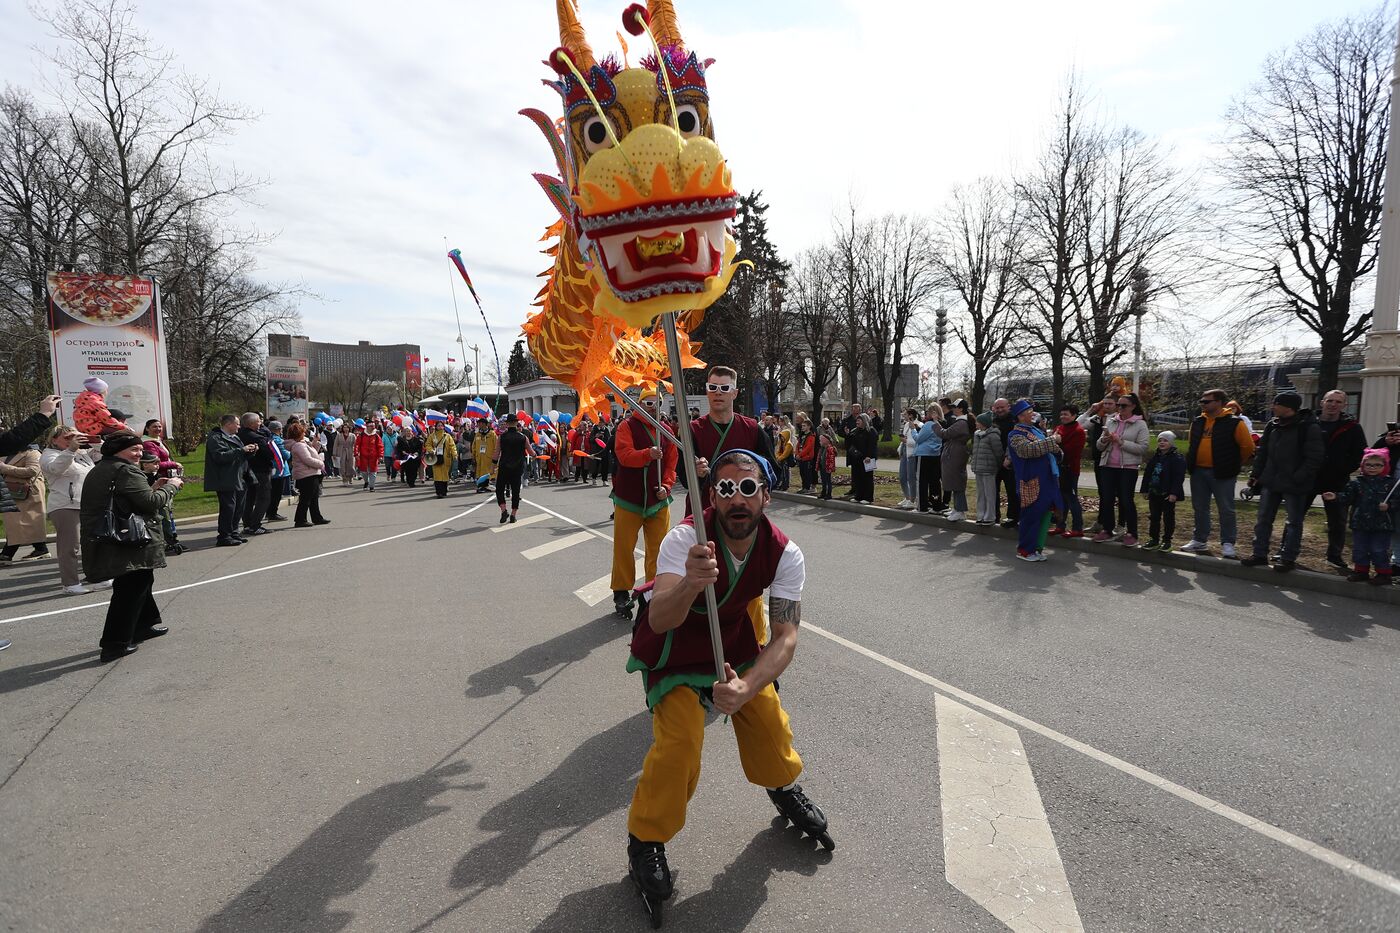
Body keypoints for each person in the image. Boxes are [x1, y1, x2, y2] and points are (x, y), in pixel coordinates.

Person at [623, 451, 830, 921]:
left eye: (749, 488)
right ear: (711, 496)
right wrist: (691, 584)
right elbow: (660, 617)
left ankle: (782, 787)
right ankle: (646, 840)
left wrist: (749, 686)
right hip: (675, 652)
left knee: (768, 721)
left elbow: (785, 637)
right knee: (680, 745)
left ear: (766, 496)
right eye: (726, 489)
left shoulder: (785, 553)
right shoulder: (684, 540)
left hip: (732, 648)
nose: (738, 499)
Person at [80, 432, 183, 662]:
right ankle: (114, 644)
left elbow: (129, 497)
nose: (138, 454)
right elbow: (150, 503)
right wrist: (172, 487)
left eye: (139, 449)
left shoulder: (102, 468)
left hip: (113, 536)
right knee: (131, 587)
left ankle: (143, 626)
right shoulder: (125, 470)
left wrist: (153, 486)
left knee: (141, 581)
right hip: (129, 538)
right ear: (117, 451)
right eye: (133, 450)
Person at [610, 387, 678, 617]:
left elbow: (670, 466)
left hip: (658, 502)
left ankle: (651, 592)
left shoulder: (667, 431)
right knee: (623, 547)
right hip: (629, 499)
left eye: (656, 403)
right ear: (638, 404)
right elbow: (624, 455)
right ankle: (621, 592)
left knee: (659, 550)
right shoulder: (626, 426)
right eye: (648, 403)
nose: (653, 408)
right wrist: (647, 454)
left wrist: (666, 486)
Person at [1242, 392, 1324, 573]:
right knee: (1263, 519)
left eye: (1276, 404)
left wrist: (1298, 477)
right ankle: (1259, 554)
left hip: (1295, 484)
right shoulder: (1273, 425)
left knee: (1293, 522)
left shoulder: (1308, 427)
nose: (1273, 406)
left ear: (1289, 407)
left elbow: (1314, 457)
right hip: (1270, 481)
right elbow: (1262, 452)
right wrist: (1256, 474)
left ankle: (1288, 558)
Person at [1180, 389, 1256, 558]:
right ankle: (1199, 540)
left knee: (1226, 509)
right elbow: (1192, 444)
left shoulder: (1234, 423)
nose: (1202, 403)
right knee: (1200, 507)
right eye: (1202, 401)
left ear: (1219, 402)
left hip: (1222, 473)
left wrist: (1232, 464)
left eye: (1207, 401)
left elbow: (1248, 447)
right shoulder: (1198, 422)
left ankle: (1228, 543)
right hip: (1199, 471)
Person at [689, 367, 776, 513]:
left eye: (724, 388)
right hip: (702, 510)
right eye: (713, 387)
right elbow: (684, 477)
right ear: (707, 391)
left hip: (742, 510)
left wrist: (751, 471)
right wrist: (695, 472)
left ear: (734, 393)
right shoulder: (693, 430)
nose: (718, 392)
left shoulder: (752, 428)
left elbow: (771, 468)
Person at [41, 425, 108, 594]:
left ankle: (98, 577)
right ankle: (70, 584)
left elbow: (106, 455)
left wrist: (95, 440)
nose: (72, 440)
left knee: (94, 542)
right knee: (70, 547)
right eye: (66, 437)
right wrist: (71, 449)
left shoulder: (82, 454)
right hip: (65, 505)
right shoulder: (48, 455)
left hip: (87, 504)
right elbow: (57, 468)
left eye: (74, 436)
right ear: (54, 439)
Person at [1322, 448, 1395, 585]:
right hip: (1360, 522)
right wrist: (1336, 497)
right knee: (1360, 548)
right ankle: (1361, 571)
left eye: (1377, 465)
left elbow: (1397, 500)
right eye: (1369, 465)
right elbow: (1348, 498)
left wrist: (1389, 506)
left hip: (1382, 524)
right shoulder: (1356, 483)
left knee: (1378, 549)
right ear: (1363, 466)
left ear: (1385, 466)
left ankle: (1383, 574)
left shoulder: (1390, 484)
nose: (1372, 468)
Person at [1312, 389, 1367, 569]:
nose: (1333, 405)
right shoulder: (1309, 422)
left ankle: (1334, 555)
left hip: (1337, 481)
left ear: (1344, 405)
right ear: (1322, 402)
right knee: (1295, 517)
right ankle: (1286, 550)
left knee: (1338, 521)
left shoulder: (1352, 427)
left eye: (1338, 402)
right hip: (1309, 478)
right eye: (1330, 401)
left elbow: (1361, 453)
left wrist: (1344, 469)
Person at [1007, 399, 1063, 561]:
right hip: (1031, 480)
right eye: (1029, 411)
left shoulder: (1036, 431)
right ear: (1020, 416)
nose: (1033, 414)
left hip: (1048, 478)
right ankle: (1025, 550)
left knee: (1045, 513)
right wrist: (1052, 441)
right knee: (1031, 515)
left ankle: (1036, 548)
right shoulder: (1015, 434)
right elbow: (1027, 450)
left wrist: (1057, 450)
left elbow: (1054, 450)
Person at [1092, 393, 1148, 547]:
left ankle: (1132, 533)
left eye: (1124, 405)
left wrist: (1121, 442)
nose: (1120, 408)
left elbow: (1143, 448)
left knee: (1126, 500)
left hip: (1127, 468)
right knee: (1107, 499)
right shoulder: (1111, 421)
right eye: (1119, 405)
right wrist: (1104, 440)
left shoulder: (1140, 424)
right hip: (1108, 466)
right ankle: (1107, 529)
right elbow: (1099, 445)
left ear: (1133, 407)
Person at [204, 414, 256, 547]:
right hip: (225, 478)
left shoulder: (235, 437)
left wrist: (251, 450)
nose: (239, 426)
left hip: (240, 477)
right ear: (228, 424)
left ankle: (234, 533)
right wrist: (241, 450)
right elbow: (220, 456)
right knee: (229, 508)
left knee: (239, 507)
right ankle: (224, 536)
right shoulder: (215, 438)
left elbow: (241, 455)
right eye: (237, 424)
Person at [2, 426, 50, 564]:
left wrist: (6, 468)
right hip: (11, 492)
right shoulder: (7, 453)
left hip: (28, 492)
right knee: (16, 523)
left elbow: (33, 470)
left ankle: (7, 553)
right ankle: (41, 548)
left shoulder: (32, 452)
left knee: (23, 522)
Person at [142, 419, 185, 551]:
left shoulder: (158, 441)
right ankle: (169, 540)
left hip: (166, 477)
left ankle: (169, 539)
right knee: (163, 511)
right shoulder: (148, 443)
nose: (158, 429)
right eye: (154, 427)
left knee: (167, 511)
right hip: (158, 479)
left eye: (160, 427)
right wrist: (174, 464)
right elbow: (155, 463)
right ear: (147, 429)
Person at [1140, 431, 1186, 550]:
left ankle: (1167, 540)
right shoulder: (1155, 457)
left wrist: (1173, 493)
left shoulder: (1177, 458)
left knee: (1168, 517)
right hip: (1154, 492)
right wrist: (1145, 489)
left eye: (1165, 440)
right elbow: (1147, 474)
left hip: (1167, 494)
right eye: (1160, 440)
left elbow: (1178, 477)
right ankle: (1154, 539)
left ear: (1171, 442)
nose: (1162, 443)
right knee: (1154, 517)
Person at [1050, 405, 1086, 538]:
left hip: (1070, 470)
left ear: (1074, 415)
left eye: (1066, 414)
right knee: (1060, 499)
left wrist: (1057, 443)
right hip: (1058, 469)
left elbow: (1071, 451)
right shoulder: (1059, 428)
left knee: (1071, 499)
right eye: (1061, 414)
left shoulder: (1078, 431)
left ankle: (1078, 528)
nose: (1063, 417)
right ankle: (1060, 525)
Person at [238, 413, 276, 536]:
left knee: (249, 498)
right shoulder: (257, 437)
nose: (260, 423)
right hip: (261, 470)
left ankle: (248, 524)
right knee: (264, 498)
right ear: (251, 423)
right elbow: (270, 453)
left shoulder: (239, 435)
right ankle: (255, 525)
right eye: (258, 421)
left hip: (246, 470)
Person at [934, 400, 972, 522]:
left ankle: (960, 511)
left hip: (955, 454)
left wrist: (935, 422)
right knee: (955, 483)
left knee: (957, 483)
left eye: (954, 407)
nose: (952, 409)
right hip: (955, 453)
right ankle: (957, 508)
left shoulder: (961, 423)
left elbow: (944, 434)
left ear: (961, 409)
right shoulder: (960, 421)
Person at [286, 422, 330, 527]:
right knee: (306, 499)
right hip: (306, 474)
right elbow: (307, 459)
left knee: (313, 497)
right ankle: (300, 519)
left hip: (309, 473)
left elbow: (312, 452)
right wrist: (320, 463)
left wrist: (314, 442)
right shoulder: (298, 445)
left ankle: (316, 517)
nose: (304, 433)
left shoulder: (301, 443)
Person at [495, 414, 529, 524]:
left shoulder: (502, 437)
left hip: (504, 466)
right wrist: (534, 456)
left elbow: (496, 453)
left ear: (507, 423)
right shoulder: (523, 437)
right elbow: (531, 451)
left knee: (499, 489)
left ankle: (504, 510)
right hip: (517, 468)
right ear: (516, 423)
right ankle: (513, 515)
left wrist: (493, 466)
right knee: (516, 491)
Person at [970, 412, 1003, 525]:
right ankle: (980, 515)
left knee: (990, 494)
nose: (976, 423)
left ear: (983, 423)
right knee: (981, 493)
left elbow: (998, 452)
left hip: (989, 469)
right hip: (978, 468)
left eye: (977, 421)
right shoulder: (976, 434)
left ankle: (990, 516)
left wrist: (997, 465)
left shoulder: (993, 435)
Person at [990, 398, 1019, 527]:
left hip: (1010, 462)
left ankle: (1012, 517)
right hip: (994, 462)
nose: (1000, 410)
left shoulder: (1015, 420)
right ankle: (994, 516)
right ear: (993, 409)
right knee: (992, 491)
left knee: (1012, 490)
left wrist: (1009, 457)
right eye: (997, 408)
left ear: (1009, 407)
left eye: (1002, 407)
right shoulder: (991, 421)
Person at [911, 404, 944, 513]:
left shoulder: (928, 424)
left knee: (922, 481)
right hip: (935, 455)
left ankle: (922, 507)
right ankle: (936, 506)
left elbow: (918, 439)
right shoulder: (939, 425)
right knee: (935, 481)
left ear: (931, 412)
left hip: (924, 455)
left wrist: (913, 430)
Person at [846, 414, 878, 504]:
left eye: (859, 420)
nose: (857, 422)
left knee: (867, 478)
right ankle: (858, 496)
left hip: (868, 459)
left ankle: (868, 498)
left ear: (864, 421)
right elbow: (850, 444)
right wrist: (848, 435)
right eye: (857, 421)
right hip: (857, 458)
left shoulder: (871, 431)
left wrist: (869, 456)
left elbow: (872, 446)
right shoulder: (856, 431)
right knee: (857, 477)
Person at [265, 421, 291, 523]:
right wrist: (290, 451)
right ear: (278, 429)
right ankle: (272, 513)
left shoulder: (268, 438)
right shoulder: (277, 440)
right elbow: (286, 455)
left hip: (273, 469)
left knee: (272, 493)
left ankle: (269, 512)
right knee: (276, 493)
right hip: (279, 469)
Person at [425, 422, 458, 498]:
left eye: (441, 426)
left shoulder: (447, 436)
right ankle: (439, 492)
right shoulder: (432, 436)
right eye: (438, 426)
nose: (440, 427)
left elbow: (452, 446)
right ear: (436, 427)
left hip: (446, 458)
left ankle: (444, 491)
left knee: (445, 475)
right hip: (435, 458)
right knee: (437, 476)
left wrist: (454, 454)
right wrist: (431, 450)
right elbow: (428, 444)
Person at [896, 408, 921, 510]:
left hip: (912, 454)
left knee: (911, 478)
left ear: (911, 415)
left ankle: (912, 500)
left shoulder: (919, 425)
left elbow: (917, 441)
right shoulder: (906, 425)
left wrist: (906, 441)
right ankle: (907, 497)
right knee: (902, 477)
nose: (903, 416)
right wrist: (900, 448)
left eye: (905, 414)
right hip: (904, 453)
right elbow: (904, 439)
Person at [355, 421, 384, 492]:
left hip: (373, 457)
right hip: (363, 456)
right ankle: (366, 482)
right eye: (370, 426)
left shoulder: (376, 436)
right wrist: (356, 454)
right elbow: (357, 445)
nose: (372, 428)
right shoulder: (361, 435)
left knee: (373, 472)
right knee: (363, 471)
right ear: (367, 427)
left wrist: (380, 455)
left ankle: (372, 486)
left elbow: (380, 446)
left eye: (373, 426)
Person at [472, 418, 498, 492]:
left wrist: (495, 456)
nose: (479, 425)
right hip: (479, 457)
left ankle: (484, 486)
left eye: (480, 423)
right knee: (480, 472)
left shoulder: (492, 434)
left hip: (488, 457)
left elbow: (496, 445)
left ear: (485, 424)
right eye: (478, 423)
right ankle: (482, 486)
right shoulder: (477, 434)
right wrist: (473, 455)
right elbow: (474, 445)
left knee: (487, 472)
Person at [794, 413, 816, 494]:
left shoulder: (811, 436)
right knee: (802, 473)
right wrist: (796, 453)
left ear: (809, 427)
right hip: (800, 457)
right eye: (802, 426)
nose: (802, 427)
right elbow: (798, 445)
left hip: (807, 458)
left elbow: (808, 448)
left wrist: (800, 455)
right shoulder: (802, 435)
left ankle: (807, 487)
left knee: (807, 474)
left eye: (804, 426)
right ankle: (803, 487)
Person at [816, 430, 836, 500]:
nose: (819, 442)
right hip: (822, 467)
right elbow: (819, 458)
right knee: (823, 481)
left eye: (821, 441)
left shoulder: (830, 449)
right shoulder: (822, 448)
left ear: (825, 441)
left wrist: (830, 468)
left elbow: (831, 459)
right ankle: (823, 492)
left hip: (827, 468)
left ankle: (829, 494)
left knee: (828, 481)